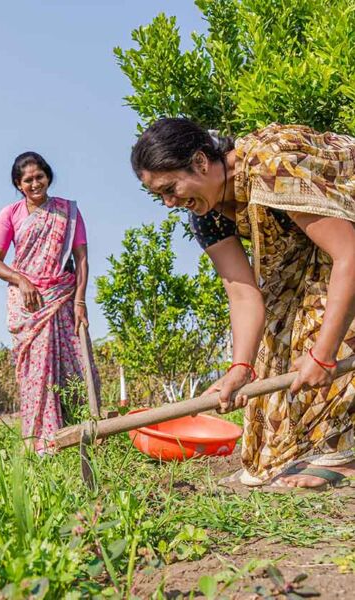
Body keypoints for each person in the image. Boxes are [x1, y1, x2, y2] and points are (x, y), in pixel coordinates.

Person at [131, 118, 355, 489]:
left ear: (201, 162)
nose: (170, 202)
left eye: (171, 188)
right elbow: (243, 292)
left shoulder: (270, 165)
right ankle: (302, 452)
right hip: (325, 254)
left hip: (345, 246)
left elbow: (348, 253)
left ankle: (345, 453)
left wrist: (323, 354)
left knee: (325, 321)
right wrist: (241, 367)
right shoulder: (207, 216)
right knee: (274, 358)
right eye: (161, 196)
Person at [0, 151, 99, 454]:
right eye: (28, 180)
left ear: (48, 176)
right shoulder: (9, 214)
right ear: (18, 184)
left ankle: (85, 433)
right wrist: (22, 280)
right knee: (36, 374)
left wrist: (80, 302)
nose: (36, 183)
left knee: (76, 365)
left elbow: (82, 259)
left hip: (63, 296)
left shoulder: (68, 212)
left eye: (40, 176)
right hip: (31, 305)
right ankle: (41, 442)